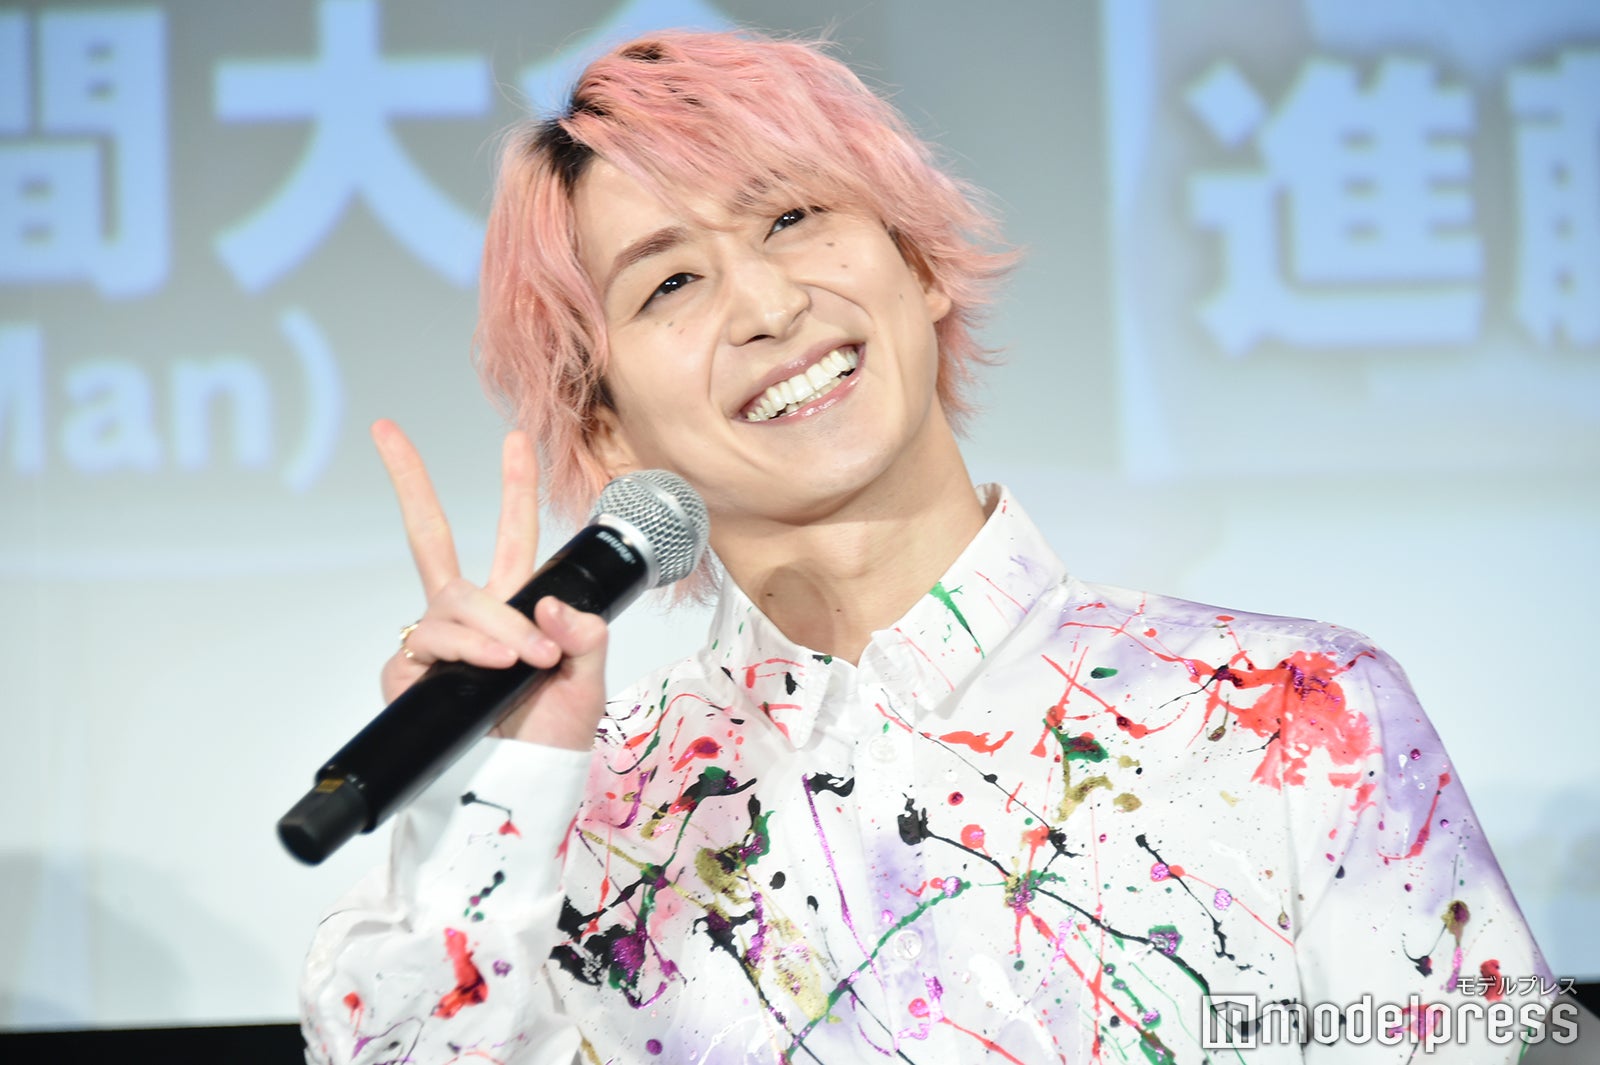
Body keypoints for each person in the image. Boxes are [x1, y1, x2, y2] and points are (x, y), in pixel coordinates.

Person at [300, 29, 1575, 1064]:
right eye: (669, 283)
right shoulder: (577, 819)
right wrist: (501, 794)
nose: (768, 305)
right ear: (604, 421)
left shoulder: (1288, 713)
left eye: (792, 217)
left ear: (917, 265)